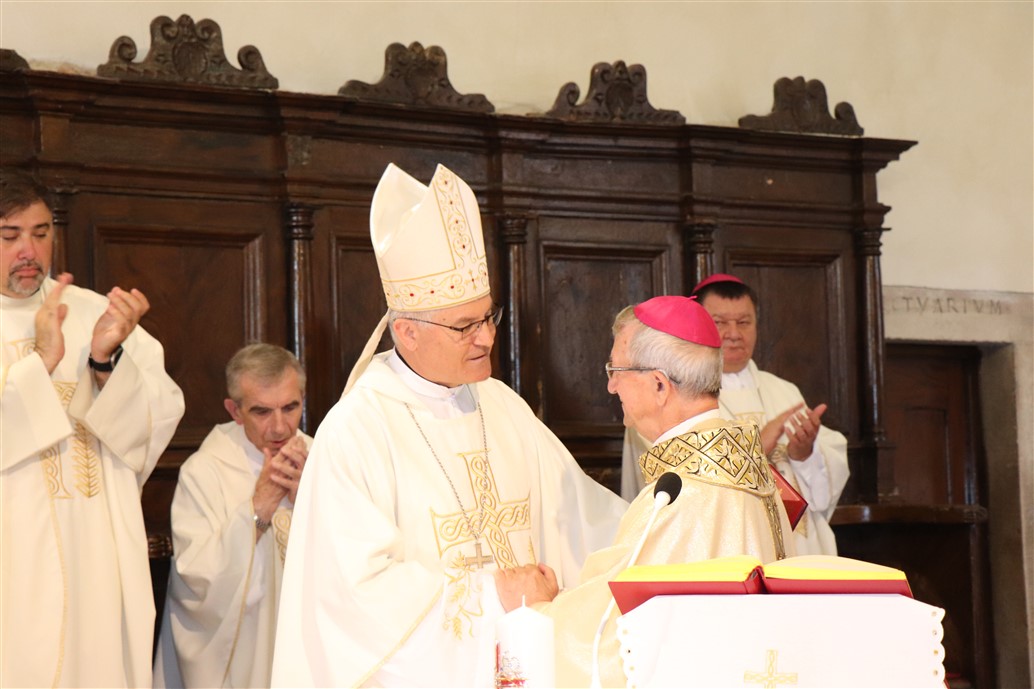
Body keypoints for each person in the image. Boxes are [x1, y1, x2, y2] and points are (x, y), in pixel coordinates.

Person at [270, 163, 627, 688]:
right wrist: (492, 596)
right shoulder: (357, 430)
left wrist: (673, 524)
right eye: (464, 326)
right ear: (407, 332)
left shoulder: (501, 405)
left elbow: (582, 518)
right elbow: (352, 597)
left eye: (488, 317)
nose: (486, 338)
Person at [495, 295, 795, 688]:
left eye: (617, 370)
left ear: (659, 385)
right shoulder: (751, 471)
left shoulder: (681, 496)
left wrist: (536, 610)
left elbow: (613, 643)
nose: (611, 385)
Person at [0, 170, 185, 688]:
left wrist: (105, 361)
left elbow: (158, 418)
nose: (29, 251)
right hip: (14, 556)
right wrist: (41, 363)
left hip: (98, 549)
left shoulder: (95, 313)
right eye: (10, 236)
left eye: (41, 233)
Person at [621, 273, 850, 555]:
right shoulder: (674, 395)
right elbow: (673, 482)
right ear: (700, 327)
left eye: (743, 322)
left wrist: (805, 455)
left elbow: (822, 490)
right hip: (721, 549)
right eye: (719, 323)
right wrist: (756, 446)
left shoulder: (784, 391)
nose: (733, 333)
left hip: (799, 550)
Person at [153, 344, 311, 689]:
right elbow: (197, 580)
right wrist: (260, 507)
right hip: (246, 657)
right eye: (262, 412)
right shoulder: (205, 472)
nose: (280, 427)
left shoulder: (322, 457)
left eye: (290, 407)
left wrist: (310, 503)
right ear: (234, 411)